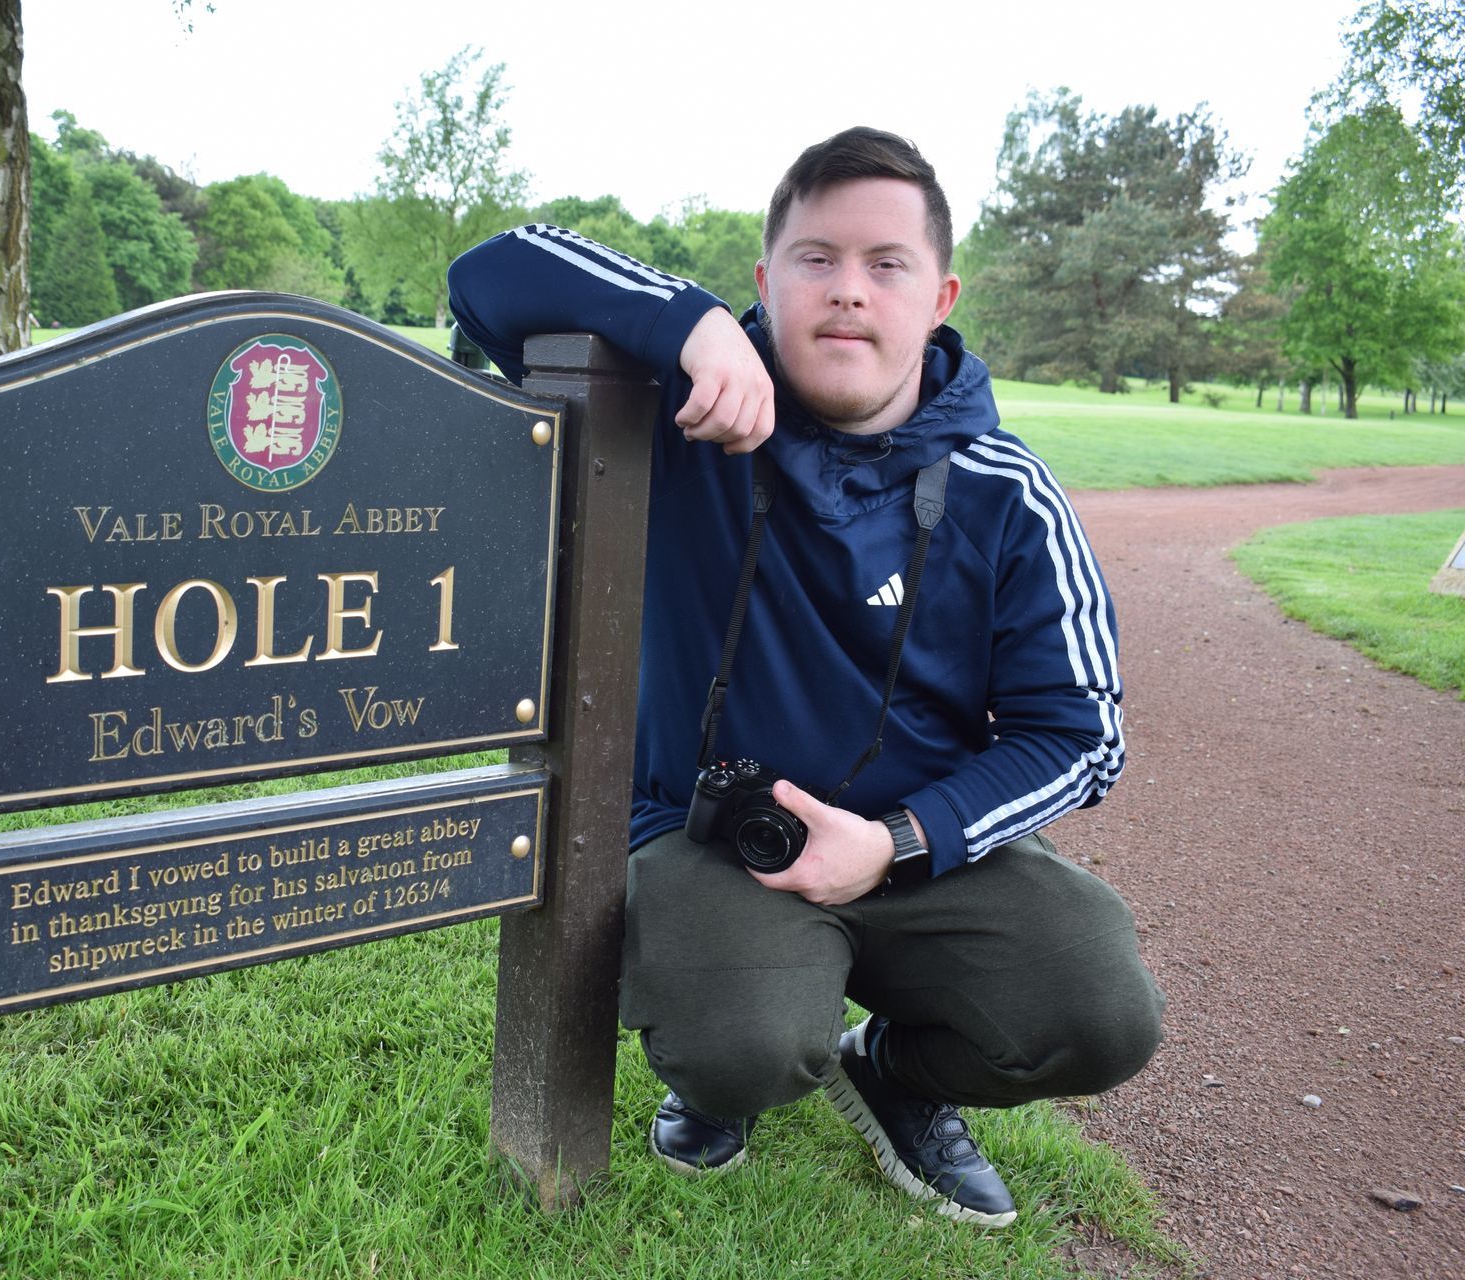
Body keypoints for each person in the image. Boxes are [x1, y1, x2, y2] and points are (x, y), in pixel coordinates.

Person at [447, 127, 1164, 1228]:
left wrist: (897, 841)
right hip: (704, 836)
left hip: (913, 842)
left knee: (1101, 1008)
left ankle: (897, 1073)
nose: (847, 292)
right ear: (766, 278)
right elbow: (492, 273)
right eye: (815, 259)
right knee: (743, 1042)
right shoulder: (681, 416)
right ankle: (723, 1081)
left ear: (940, 295)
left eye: (888, 265)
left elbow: (1078, 736)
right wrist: (686, 327)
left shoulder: (1007, 492)